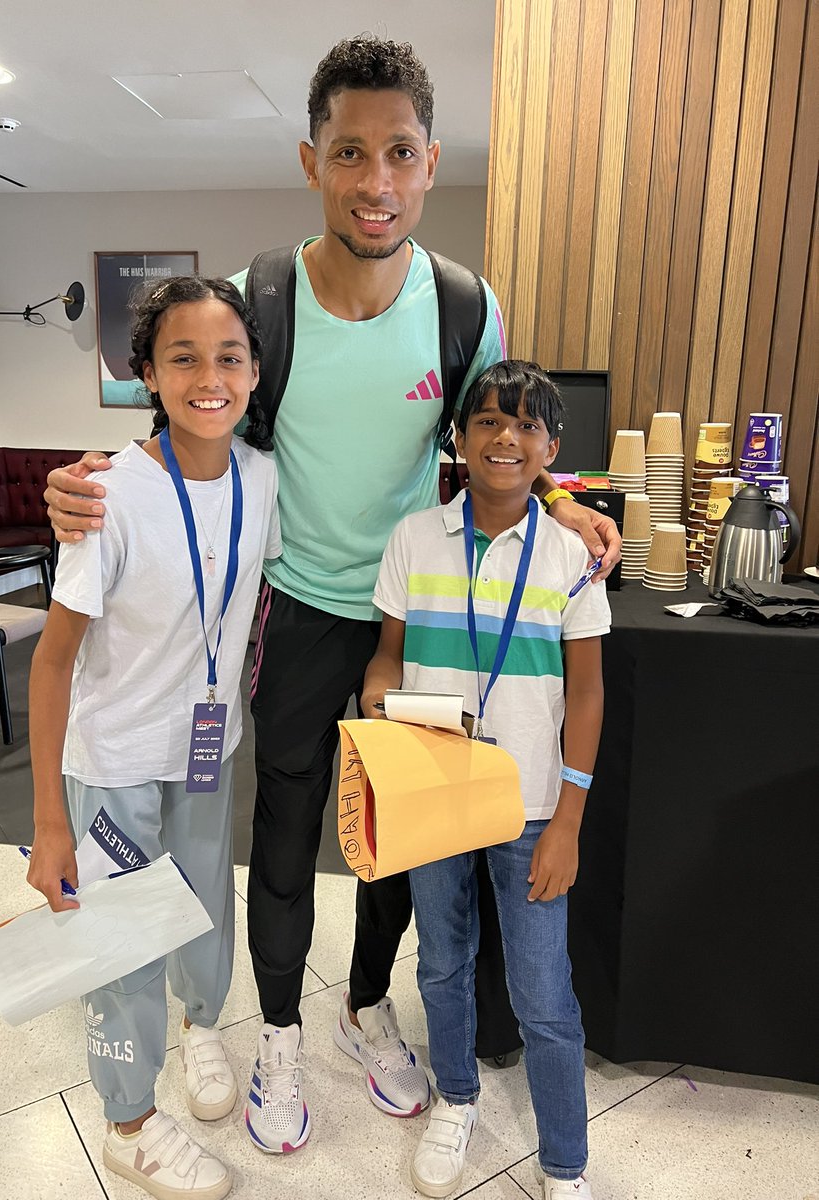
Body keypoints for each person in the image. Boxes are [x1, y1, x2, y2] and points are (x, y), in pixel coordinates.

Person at [42, 36, 621, 1155]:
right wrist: (91, 480)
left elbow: (494, 435)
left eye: (399, 153)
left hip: (426, 615)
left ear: (429, 160)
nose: (375, 180)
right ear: (314, 160)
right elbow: (201, 426)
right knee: (290, 828)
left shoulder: (462, 304)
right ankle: (276, 1040)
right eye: (350, 153)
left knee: (401, 842)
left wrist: (561, 502)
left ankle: (363, 1009)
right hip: (301, 613)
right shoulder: (268, 297)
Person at [26, 277, 281, 1200]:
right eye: (183, 357)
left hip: (208, 745)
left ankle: (201, 1023)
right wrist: (50, 822)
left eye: (229, 357)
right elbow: (51, 665)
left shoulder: (263, 477)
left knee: (206, 896)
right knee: (122, 941)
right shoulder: (108, 496)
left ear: (254, 372)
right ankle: (128, 1121)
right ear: (146, 373)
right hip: (117, 758)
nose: (209, 377)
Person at [363, 361, 609, 1199]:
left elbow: (586, 691)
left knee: (544, 992)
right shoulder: (413, 540)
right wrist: (380, 700)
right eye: (489, 422)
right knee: (442, 962)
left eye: (527, 425)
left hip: (534, 806)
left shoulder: (571, 552)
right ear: (460, 438)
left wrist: (570, 820)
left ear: (551, 447)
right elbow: (386, 656)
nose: (506, 438)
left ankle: (565, 1162)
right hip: (437, 795)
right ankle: (457, 1099)